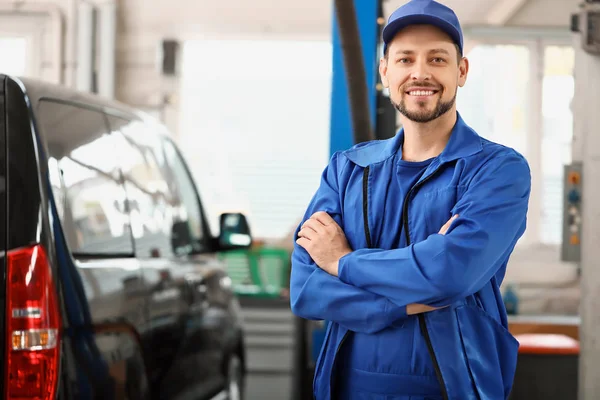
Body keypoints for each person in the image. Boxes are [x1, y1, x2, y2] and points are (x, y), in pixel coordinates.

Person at [289, 0, 531, 399]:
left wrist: (341, 261)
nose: (420, 73)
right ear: (385, 72)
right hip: (346, 387)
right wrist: (407, 300)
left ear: (462, 71)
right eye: (405, 59)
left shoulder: (497, 170)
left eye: (437, 59)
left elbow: (450, 274)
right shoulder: (348, 169)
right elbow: (306, 287)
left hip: (454, 387)